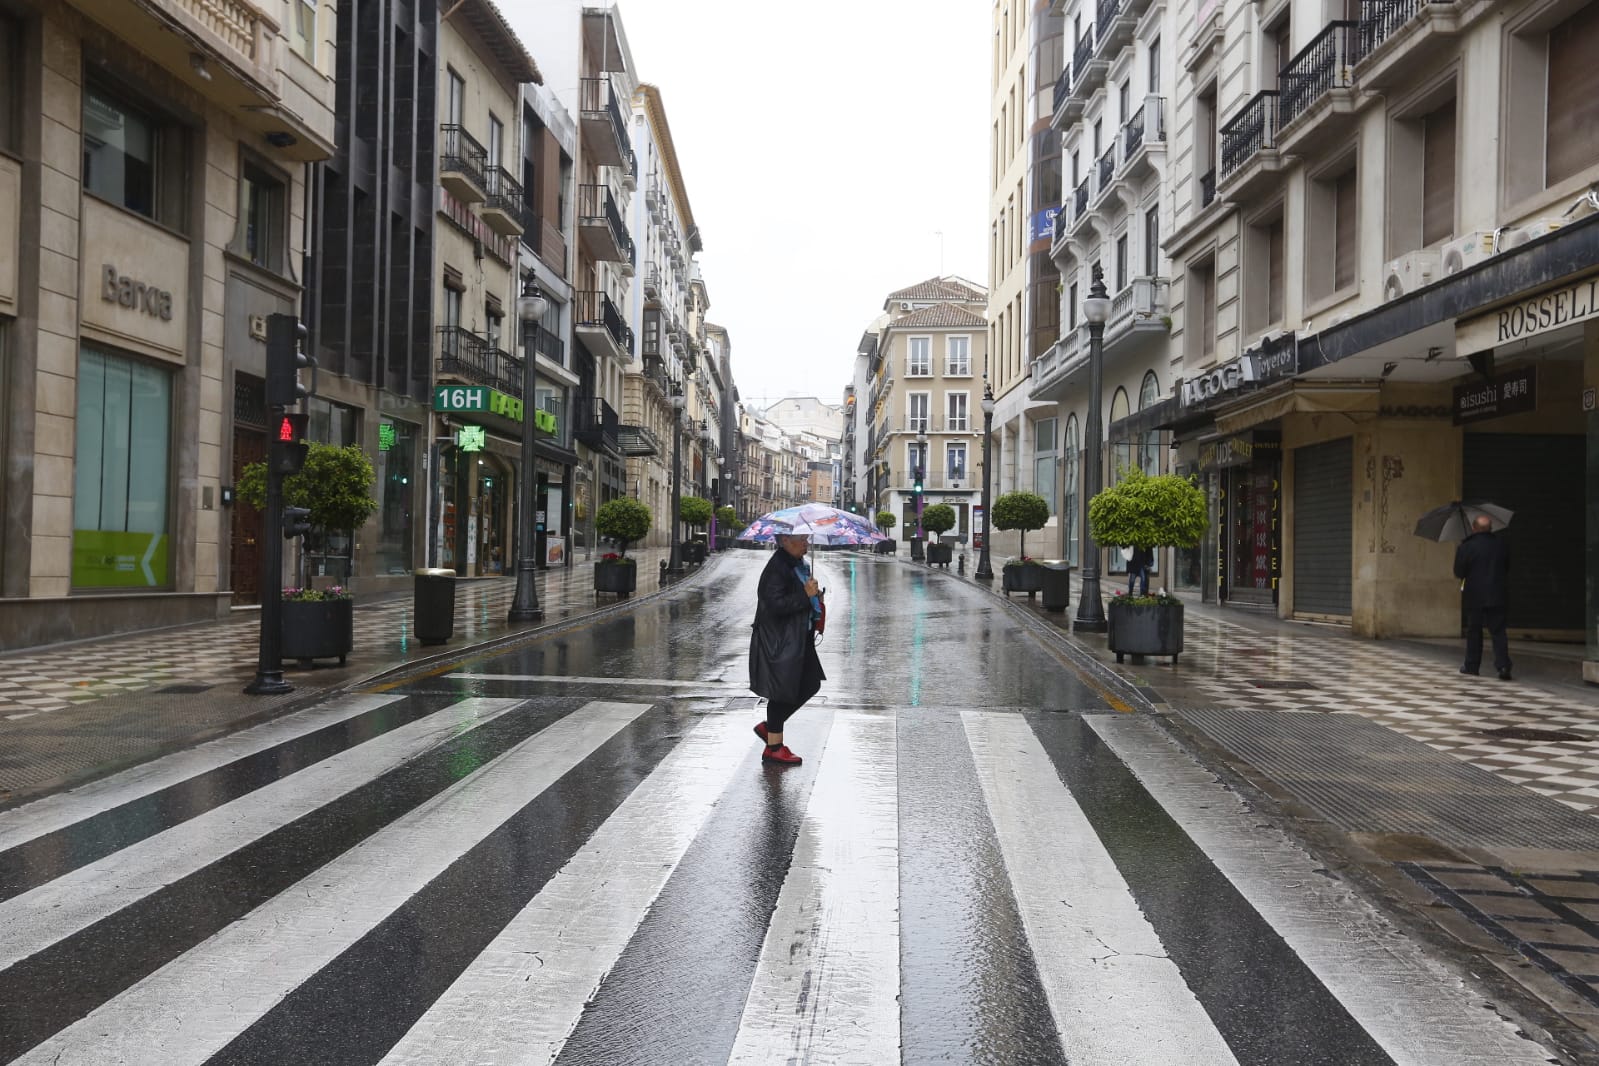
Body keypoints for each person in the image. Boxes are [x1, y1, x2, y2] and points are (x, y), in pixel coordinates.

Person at [748, 532, 825, 765]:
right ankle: (774, 747)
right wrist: (805, 595)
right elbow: (774, 605)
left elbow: (798, 598)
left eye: (806, 539)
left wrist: (814, 595)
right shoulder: (777, 568)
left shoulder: (798, 565)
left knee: (809, 684)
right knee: (785, 690)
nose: (806, 544)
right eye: (801, 540)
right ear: (784, 541)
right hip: (781, 641)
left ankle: (771, 733)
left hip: (798, 637)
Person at [1454, 514, 1512, 681]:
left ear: (1474, 528)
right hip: (1497, 594)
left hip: (1475, 596)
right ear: (1490, 528)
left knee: (1474, 631)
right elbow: (1507, 566)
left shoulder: (1466, 547)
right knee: (1498, 631)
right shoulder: (1500, 545)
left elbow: (1459, 572)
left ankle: (1472, 666)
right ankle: (1503, 666)